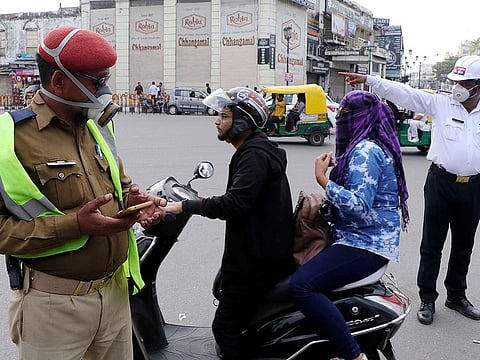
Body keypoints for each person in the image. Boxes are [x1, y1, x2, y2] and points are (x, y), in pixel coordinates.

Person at [0, 26, 166, 359]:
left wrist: (136, 202)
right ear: (59, 82)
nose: (105, 89)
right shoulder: (11, 137)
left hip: (116, 299)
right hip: (54, 308)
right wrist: (77, 224)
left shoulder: (97, 126)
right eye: (96, 81)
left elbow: (121, 187)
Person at [339, 54, 480, 326]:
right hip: (441, 182)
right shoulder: (441, 103)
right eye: (455, 81)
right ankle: (427, 298)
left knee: (464, 244)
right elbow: (405, 94)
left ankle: (456, 296)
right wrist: (370, 80)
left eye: (465, 82)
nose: (457, 87)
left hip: (473, 186)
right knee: (432, 244)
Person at [164, 87, 295, 359]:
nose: (216, 120)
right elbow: (244, 198)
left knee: (224, 328)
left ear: (242, 121)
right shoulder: (257, 150)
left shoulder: (253, 155)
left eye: (223, 116)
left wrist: (185, 206)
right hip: (262, 254)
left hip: (255, 262)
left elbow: (235, 204)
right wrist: (203, 200)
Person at [290, 90, 409, 360]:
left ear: (360, 118)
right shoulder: (366, 146)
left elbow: (359, 206)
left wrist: (323, 180)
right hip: (359, 237)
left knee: (301, 285)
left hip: (366, 243)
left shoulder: (366, 151)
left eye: (345, 115)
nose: (340, 120)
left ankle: (353, 355)